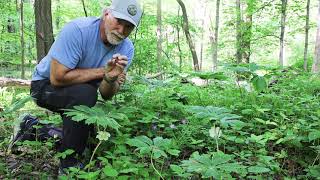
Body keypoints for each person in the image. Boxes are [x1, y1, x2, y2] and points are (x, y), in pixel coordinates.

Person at [12, 0, 142, 172]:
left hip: (80, 92)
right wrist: (103, 72)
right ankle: (69, 166)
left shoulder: (127, 49)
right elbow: (57, 78)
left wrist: (110, 79)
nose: (122, 31)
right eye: (119, 21)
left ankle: (30, 127)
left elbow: (106, 94)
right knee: (85, 95)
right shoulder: (78, 31)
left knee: (86, 137)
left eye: (129, 27)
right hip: (44, 86)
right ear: (106, 14)